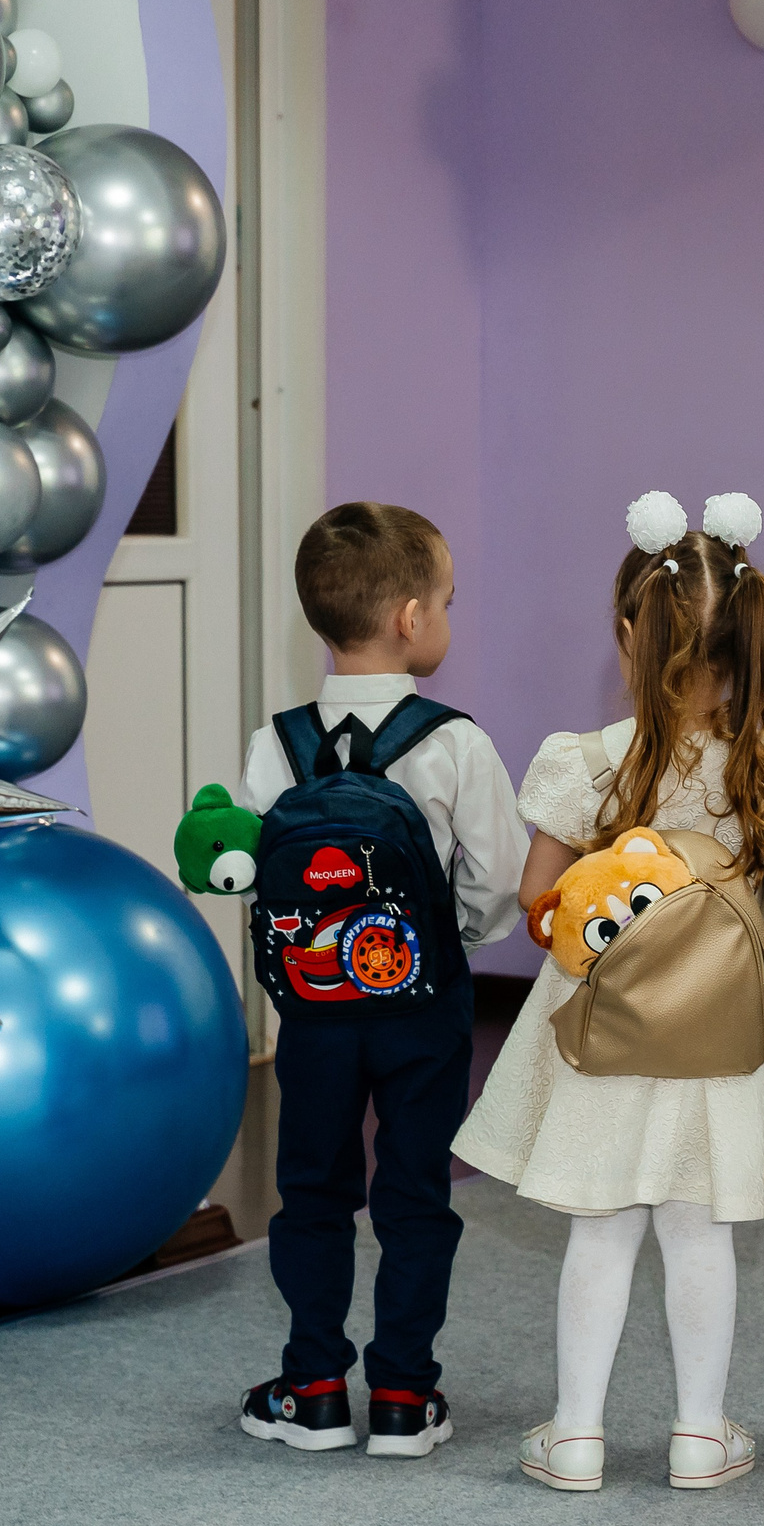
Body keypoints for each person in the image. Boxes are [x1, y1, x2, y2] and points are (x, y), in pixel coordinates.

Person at [453, 491, 764, 1493]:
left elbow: (538, 899)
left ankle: (577, 1437)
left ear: (629, 634)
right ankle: (700, 1436)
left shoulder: (584, 763)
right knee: (700, 1228)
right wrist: (722, 964)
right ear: (751, 641)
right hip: (724, 1041)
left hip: (605, 1036)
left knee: (601, 1225)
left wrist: (629, 948)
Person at [235, 502, 528, 1458]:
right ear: (410, 618)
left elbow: (257, 872)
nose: (446, 616)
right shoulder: (455, 742)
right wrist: (452, 941)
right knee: (413, 1191)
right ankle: (404, 1394)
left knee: (313, 1188)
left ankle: (313, 1387)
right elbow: (501, 879)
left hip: (314, 1013)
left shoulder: (276, 742)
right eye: (446, 600)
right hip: (423, 1011)